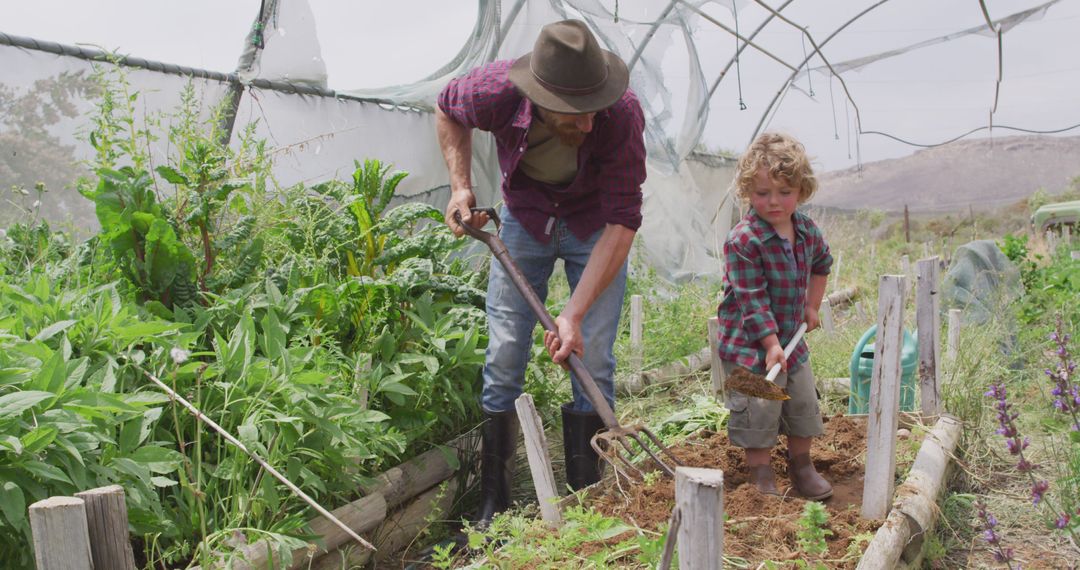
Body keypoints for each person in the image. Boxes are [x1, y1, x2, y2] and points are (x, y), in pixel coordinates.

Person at [436, 19, 647, 526]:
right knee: (505, 351)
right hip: (526, 220)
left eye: (593, 109)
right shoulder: (496, 91)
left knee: (592, 354)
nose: (589, 125)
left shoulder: (621, 114)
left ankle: (586, 499)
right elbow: (446, 108)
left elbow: (622, 221)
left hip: (594, 225)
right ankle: (495, 504)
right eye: (575, 115)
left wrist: (571, 315)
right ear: (540, 99)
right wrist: (460, 186)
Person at [715, 132, 834, 500]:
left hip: (791, 342)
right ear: (748, 192)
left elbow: (821, 266)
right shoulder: (743, 240)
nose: (774, 202)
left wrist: (812, 306)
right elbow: (751, 299)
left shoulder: (807, 232)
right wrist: (769, 344)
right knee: (759, 408)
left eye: (785, 192)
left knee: (801, 403)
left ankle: (801, 466)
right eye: (763, 193)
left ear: (801, 190)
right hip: (750, 348)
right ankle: (761, 475)